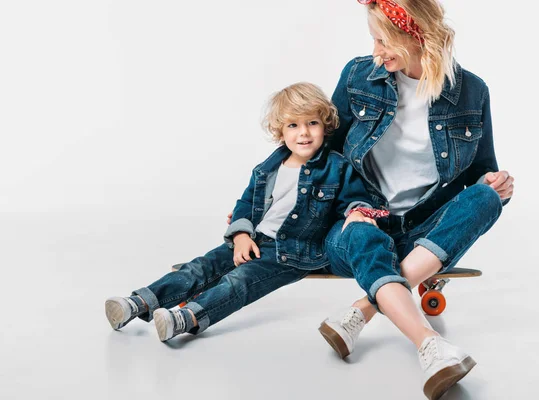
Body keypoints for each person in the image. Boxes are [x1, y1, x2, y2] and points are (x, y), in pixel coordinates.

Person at [315, 1, 515, 399]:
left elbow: (481, 170)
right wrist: (349, 210)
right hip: (358, 227)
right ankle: (428, 344)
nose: (375, 51)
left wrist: (496, 183)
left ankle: (365, 308)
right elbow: (327, 156)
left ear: (416, 36)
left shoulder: (471, 91)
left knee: (487, 198)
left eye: (383, 40)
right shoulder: (359, 76)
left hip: (423, 236)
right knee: (364, 236)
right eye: (373, 39)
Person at [104, 82, 375, 342]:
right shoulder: (267, 169)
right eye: (293, 125)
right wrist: (242, 235)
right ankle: (139, 302)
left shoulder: (337, 167)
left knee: (240, 282)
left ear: (325, 125)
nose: (303, 133)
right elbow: (245, 204)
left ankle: (186, 318)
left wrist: (357, 212)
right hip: (255, 239)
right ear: (281, 132)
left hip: (293, 251)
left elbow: (352, 201)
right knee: (199, 267)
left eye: (312, 123)